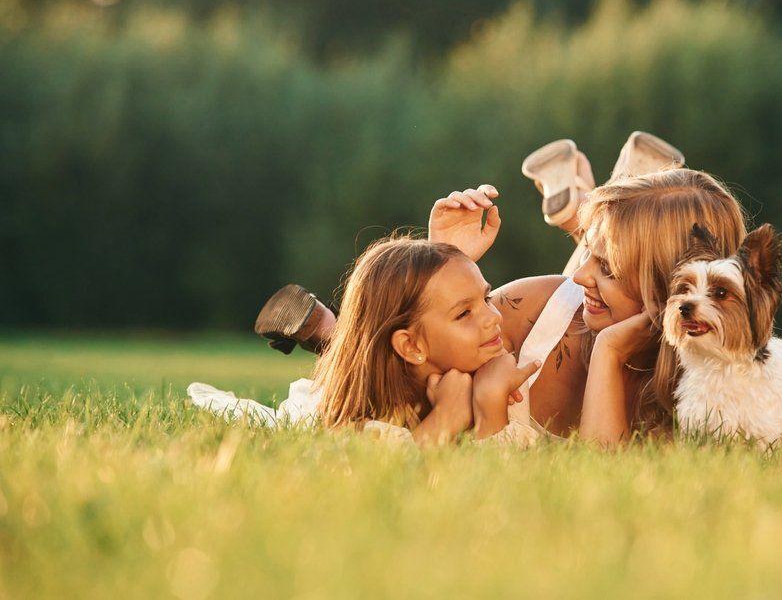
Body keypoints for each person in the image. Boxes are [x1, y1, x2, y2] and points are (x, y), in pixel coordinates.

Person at [258, 133, 747, 444]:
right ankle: (328, 330)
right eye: (589, 254)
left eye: (609, 267)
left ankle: (587, 203)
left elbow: (607, 488)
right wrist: (444, 263)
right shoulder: (532, 308)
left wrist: (609, 353)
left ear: (675, 292)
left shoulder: (712, 384)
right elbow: (398, 373)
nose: (580, 275)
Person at [190, 235, 538, 447]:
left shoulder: (482, 364)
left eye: (488, 298)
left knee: (368, 344)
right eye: (465, 314)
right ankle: (326, 330)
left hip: (395, 357)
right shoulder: (357, 425)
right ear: (412, 347)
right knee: (313, 401)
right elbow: (396, 479)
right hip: (356, 388)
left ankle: (323, 328)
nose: (495, 317)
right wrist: (451, 417)